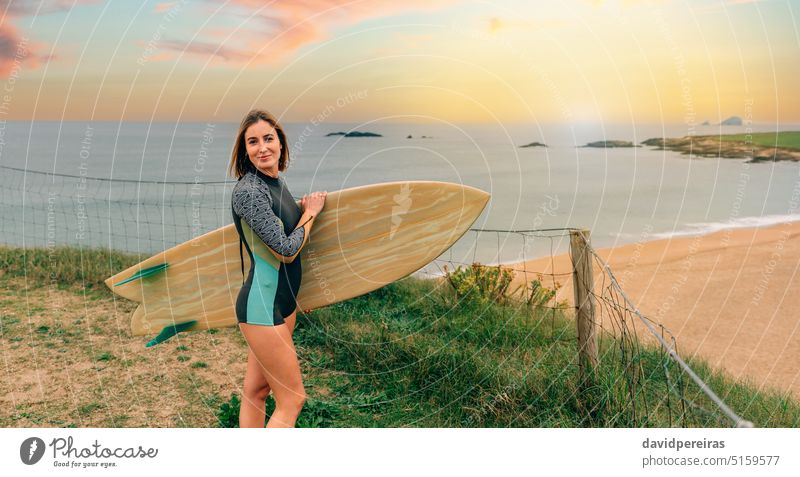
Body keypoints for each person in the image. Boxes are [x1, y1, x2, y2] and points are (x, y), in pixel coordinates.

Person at [228, 109, 327, 428]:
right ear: (245, 151)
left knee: (256, 391)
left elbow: (283, 232)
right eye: (253, 142)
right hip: (261, 307)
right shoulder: (249, 191)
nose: (262, 147)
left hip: (282, 305)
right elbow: (286, 250)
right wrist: (311, 212)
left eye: (268, 138)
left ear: (281, 144)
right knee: (292, 399)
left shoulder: (276, 183)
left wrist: (298, 212)